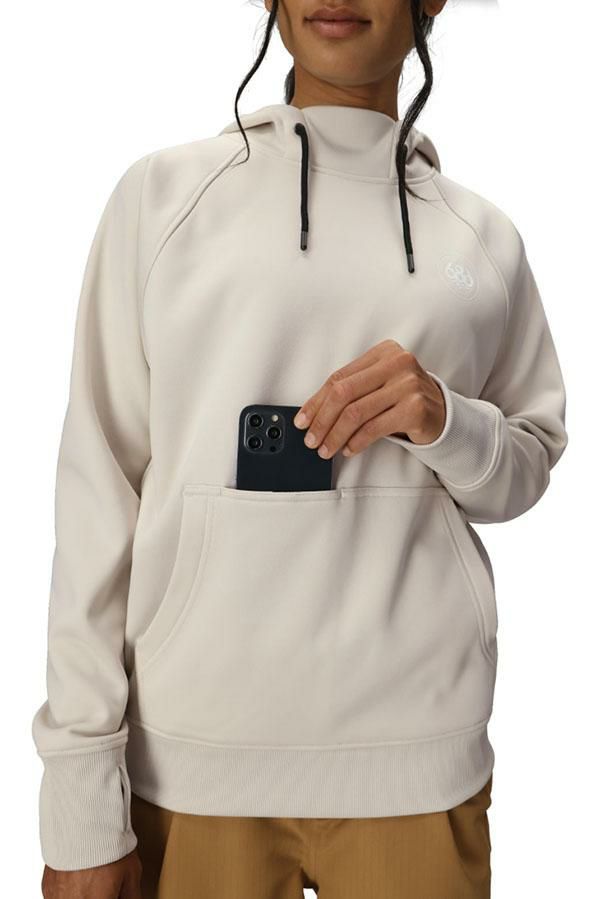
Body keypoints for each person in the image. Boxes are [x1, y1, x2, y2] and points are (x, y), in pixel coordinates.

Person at [33, 1, 568, 897]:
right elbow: (97, 495)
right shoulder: (164, 199)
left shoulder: (478, 240)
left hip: (418, 757)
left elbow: (528, 462)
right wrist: (79, 802)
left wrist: (446, 419)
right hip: (191, 762)